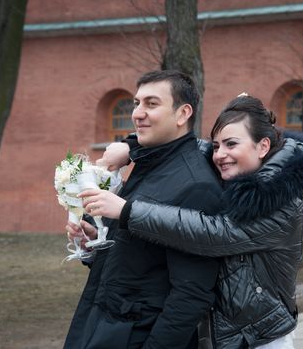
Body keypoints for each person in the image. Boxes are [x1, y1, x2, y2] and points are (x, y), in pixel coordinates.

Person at [83, 94, 303, 348]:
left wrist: (128, 211)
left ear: (263, 147)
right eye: (216, 146)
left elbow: (213, 234)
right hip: (214, 336)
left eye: (231, 144)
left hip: (259, 339)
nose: (220, 154)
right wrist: (134, 147)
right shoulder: (230, 180)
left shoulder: (280, 201)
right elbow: (188, 149)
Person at [64, 70, 222, 348]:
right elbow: (139, 257)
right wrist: (94, 246)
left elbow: (191, 294)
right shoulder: (149, 164)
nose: (137, 113)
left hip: (136, 336)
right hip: (104, 326)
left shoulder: (197, 186)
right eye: (136, 103)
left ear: (183, 114)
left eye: (151, 104)